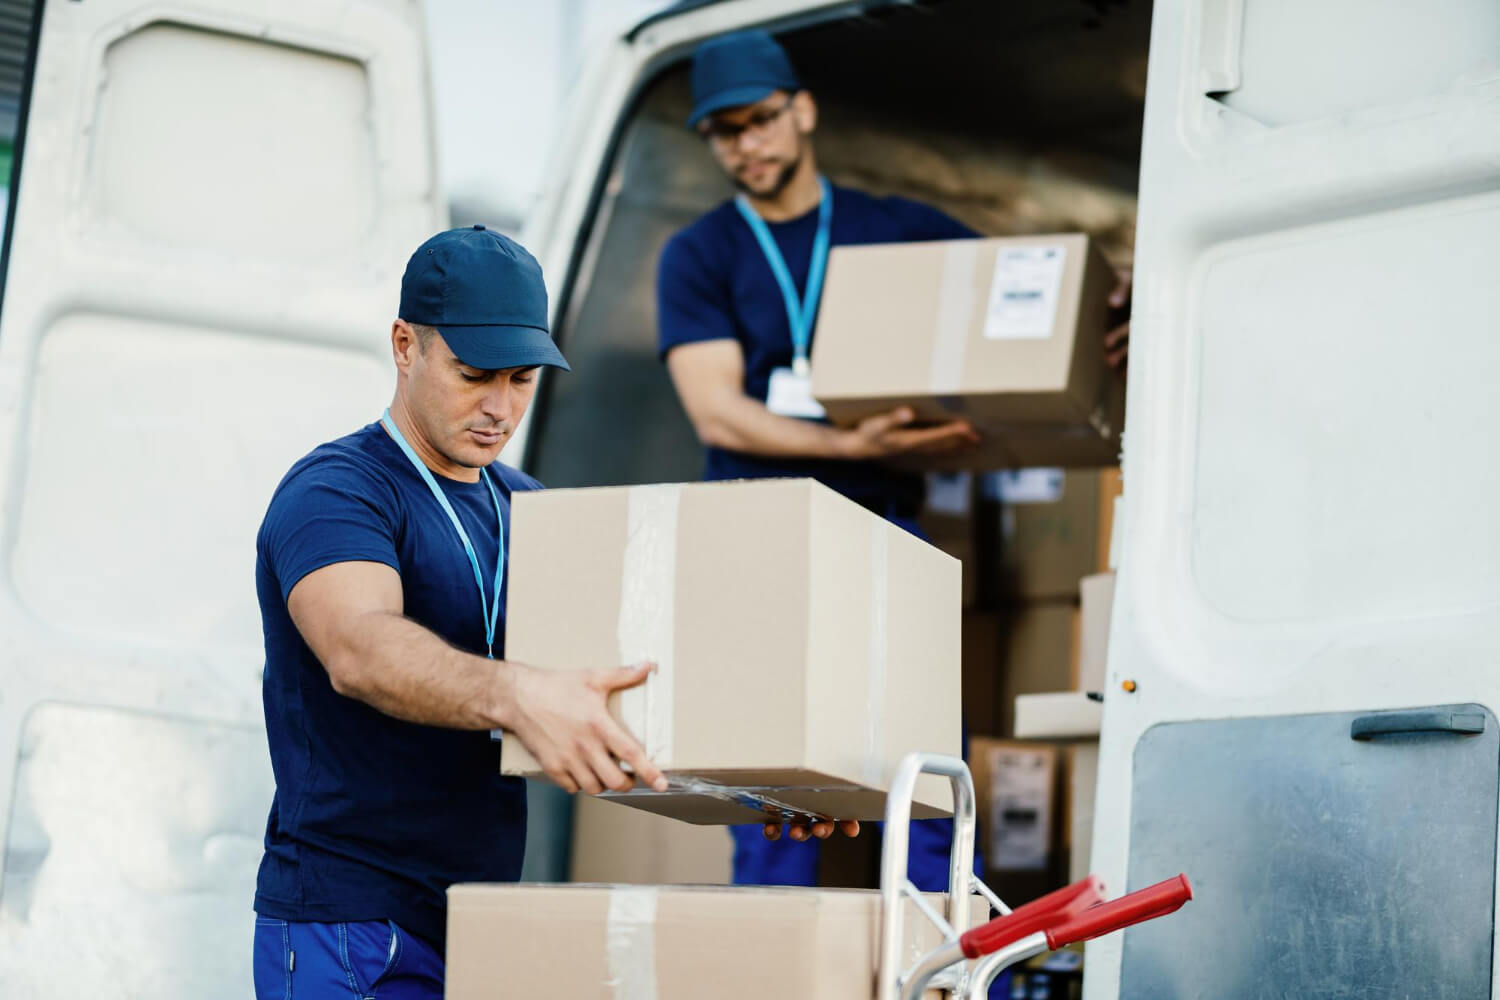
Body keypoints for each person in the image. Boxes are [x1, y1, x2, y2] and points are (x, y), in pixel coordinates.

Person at [656, 32, 1130, 894]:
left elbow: (1020, 297)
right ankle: (773, 974)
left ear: (802, 109)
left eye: (759, 119)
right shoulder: (701, 252)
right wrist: (848, 444)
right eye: (723, 132)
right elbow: (716, 408)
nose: (746, 144)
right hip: (758, 538)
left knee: (918, 773)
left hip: (881, 530)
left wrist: (1114, 291)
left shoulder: (895, 228)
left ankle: (948, 966)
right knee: (772, 785)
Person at [250, 226, 674, 999]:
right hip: (352, 926)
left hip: (479, 926)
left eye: (522, 379)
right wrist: (516, 694)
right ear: (405, 345)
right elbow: (359, 649)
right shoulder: (337, 491)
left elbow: (627, 688)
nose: (499, 407)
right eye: (474, 374)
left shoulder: (533, 509)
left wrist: (767, 792)